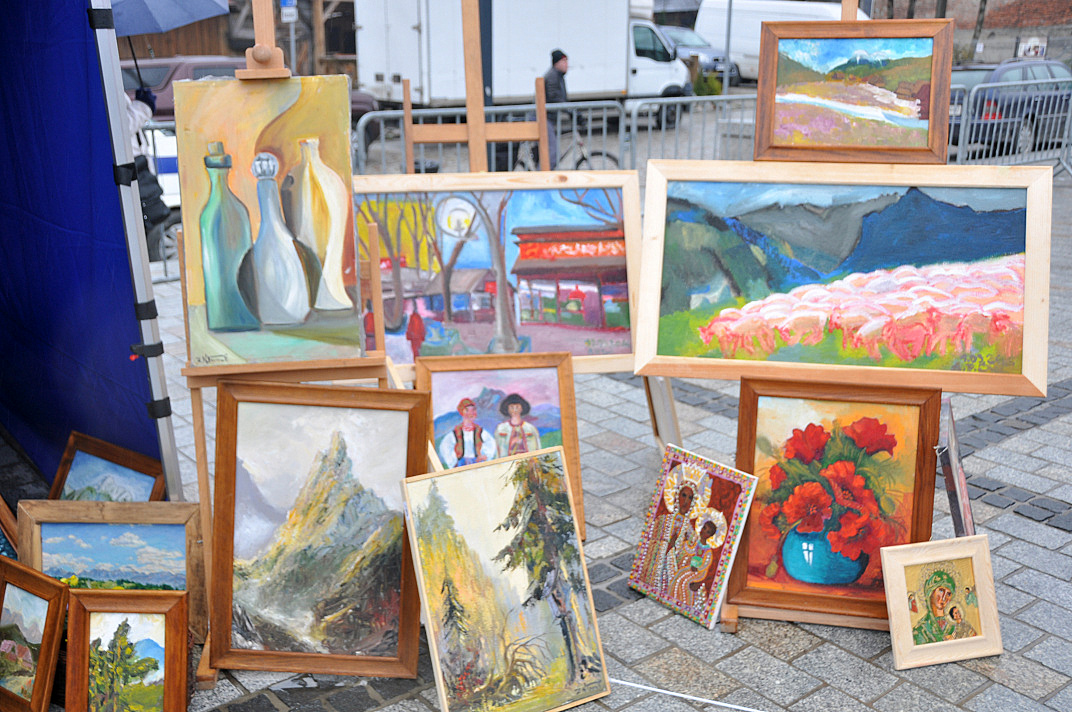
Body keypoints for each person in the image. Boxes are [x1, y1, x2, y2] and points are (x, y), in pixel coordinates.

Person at [126, 87, 170, 261]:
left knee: (147, 219)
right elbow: (121, 127)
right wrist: (143, 107)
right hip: (129, 166)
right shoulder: (101, 86)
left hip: (136, 164)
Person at [668, 509, 727, 608]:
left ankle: (684, 603)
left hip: (697, 572)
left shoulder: (708, 550)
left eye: (708, 532)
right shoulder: (694, 542)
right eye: (704, 528)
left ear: (710, 536)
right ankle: (673, 598)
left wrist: (697, 568)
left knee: (681, 579)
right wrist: (684, 541)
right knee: (679, 576)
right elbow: (687, 550)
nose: (704, 532)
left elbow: (706, 564)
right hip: (688, 567)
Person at [438, 398, 497, 468]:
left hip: (477, 463)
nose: (471, 413)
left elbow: (491, 443)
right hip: (461, 464)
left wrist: (485, 456)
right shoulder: (455, 433)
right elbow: (445, 446)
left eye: (473, 410)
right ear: (461, 412)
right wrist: (453, 462)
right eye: (467, 410)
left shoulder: (480, 431)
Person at [912, 570, 956, 645]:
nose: (944, 598)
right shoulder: (921, 629)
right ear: (930, 593)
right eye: (941, 591)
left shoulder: (956, 624)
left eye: (948, 594)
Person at [543, 49, 568, 169]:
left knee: (550, 150)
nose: (566, 64)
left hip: (548, 117)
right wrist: (571, 112)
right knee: (552, 152)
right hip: (543, 118)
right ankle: (541, 176)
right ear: (556, 63)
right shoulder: (553, 77)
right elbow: (555, 98)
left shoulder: (558, 76)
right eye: (564, 61)